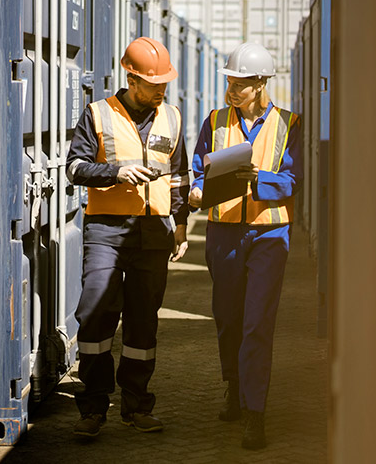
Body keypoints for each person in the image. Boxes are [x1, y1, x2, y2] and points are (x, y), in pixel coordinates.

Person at [66, 37, 190, 437]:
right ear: (131, 78)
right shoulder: (98, 114)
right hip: (106, 230)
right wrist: (115, 173)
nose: (161, 91)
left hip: (154, 233)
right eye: (154, 85)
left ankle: (136, 405)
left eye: (164, 85)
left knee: (142, 322)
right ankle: (94, 407)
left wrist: (181, 224)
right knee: (95, 314)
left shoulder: (171, 117)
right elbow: (74, 168)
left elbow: (180, 177)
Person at [189, 42, 303, 450]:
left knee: (257, 323)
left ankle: (255, 411)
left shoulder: (290, 124)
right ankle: (234, 387)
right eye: (230, 83)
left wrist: (258, 179)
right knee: (227, 317)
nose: (231, 90)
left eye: (240, 84)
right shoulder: (215, 121)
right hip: (223, 233)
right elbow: (199, 167)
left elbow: (292, 182)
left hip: (269, 235)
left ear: (260, 85)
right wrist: (197, 192)